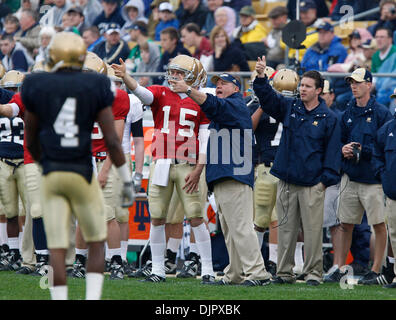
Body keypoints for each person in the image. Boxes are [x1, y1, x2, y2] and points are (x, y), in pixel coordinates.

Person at [22, 32, 134, 300]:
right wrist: (126, 179)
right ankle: (92, 297)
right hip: (82, 170)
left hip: (52, 171)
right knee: (96, 239)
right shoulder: (96, 87)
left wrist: (42, 161)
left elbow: (31, 137)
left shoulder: (37, 84)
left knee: (57, 246)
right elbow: (113, 142)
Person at [112, 55, 216, 284]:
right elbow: (141, 92)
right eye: (173, 72)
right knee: (157, 217)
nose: (174, 76)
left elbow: (205, 137)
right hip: (162, 163)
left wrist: (200, 168)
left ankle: (207, 269)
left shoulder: (202, 99)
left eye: (180, 73)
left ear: (193, 75)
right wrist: (126, 76)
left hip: (189, 164)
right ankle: (158, 269)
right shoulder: (160, 92)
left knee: (196, 216)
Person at [169, 71, 272, 286]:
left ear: (237, 89)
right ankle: (233, 273)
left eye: (225, 83)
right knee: (230, 229)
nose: (219, 86)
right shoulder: (226, 109)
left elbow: (214, 105)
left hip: (234, 175)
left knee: (241, 227)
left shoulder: (236, 105)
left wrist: (188, 89)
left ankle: (258, 273)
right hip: (225, 175)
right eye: (217, 83)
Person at [253, 56, 342, 286]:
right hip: (287, 180)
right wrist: (261, 78)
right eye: (301, 85)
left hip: (313, 183)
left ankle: (314, 273)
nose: (301, 89)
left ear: (319, 91)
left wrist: (324, 182)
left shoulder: (329, 118)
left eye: (307, 86)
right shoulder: (290, 107)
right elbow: (268, 99)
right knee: (285, 229)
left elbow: (333, 154)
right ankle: (284, 272)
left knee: (313, 233)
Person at [328, 68, 392, 285]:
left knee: (378, 225)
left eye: (357, 82)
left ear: (369, 84)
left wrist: (363, 151)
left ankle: (376, 269)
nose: (353, 86)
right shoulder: (347, 112)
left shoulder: (382, 112)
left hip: (373, 180)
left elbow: (385, 145)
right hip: (351, 176)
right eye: (351, 83)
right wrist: (343, 149)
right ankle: (339, 267)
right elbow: (338, 140)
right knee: (345, 223)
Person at [71, 53, 130, 281]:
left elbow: (114, 140)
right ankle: (80, 260)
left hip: (107, 159)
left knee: (107, 213)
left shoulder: (116, 97)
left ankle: (115, 261)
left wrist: (104, 171)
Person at [246, 67, 281, 277]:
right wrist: (262, 104)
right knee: (259, 220)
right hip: (262, 167)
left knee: (276, 219)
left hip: (278, 165)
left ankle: (274, 262)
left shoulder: (283, 104)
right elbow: (247, 127)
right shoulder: (252, 105)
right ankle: (256, 261)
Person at [0, 71, 26, 272]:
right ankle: (13, 251)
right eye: (8, 89)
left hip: (25, 160)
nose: (11, 93)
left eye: (15, 89)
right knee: (9, 212)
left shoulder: (27, 103)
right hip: (4, 159)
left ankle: (28, 254)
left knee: (27, 212)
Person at [373, 87, 396, 288]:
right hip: (393, 191)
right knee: (395, 234)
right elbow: (376, 153)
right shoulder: (388, 128)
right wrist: (384, 173)